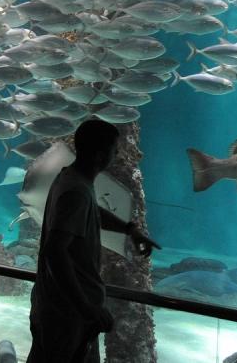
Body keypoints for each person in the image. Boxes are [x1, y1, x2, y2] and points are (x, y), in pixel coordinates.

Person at [26, 119, 161, 363]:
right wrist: (86, 307)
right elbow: (55, 252)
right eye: (114, 149)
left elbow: (91, 212)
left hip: (63, 308)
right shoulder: (75, 190)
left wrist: (130, 229)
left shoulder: (72, 178)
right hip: (67, 312)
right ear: (100, 154)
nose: (117, 154)